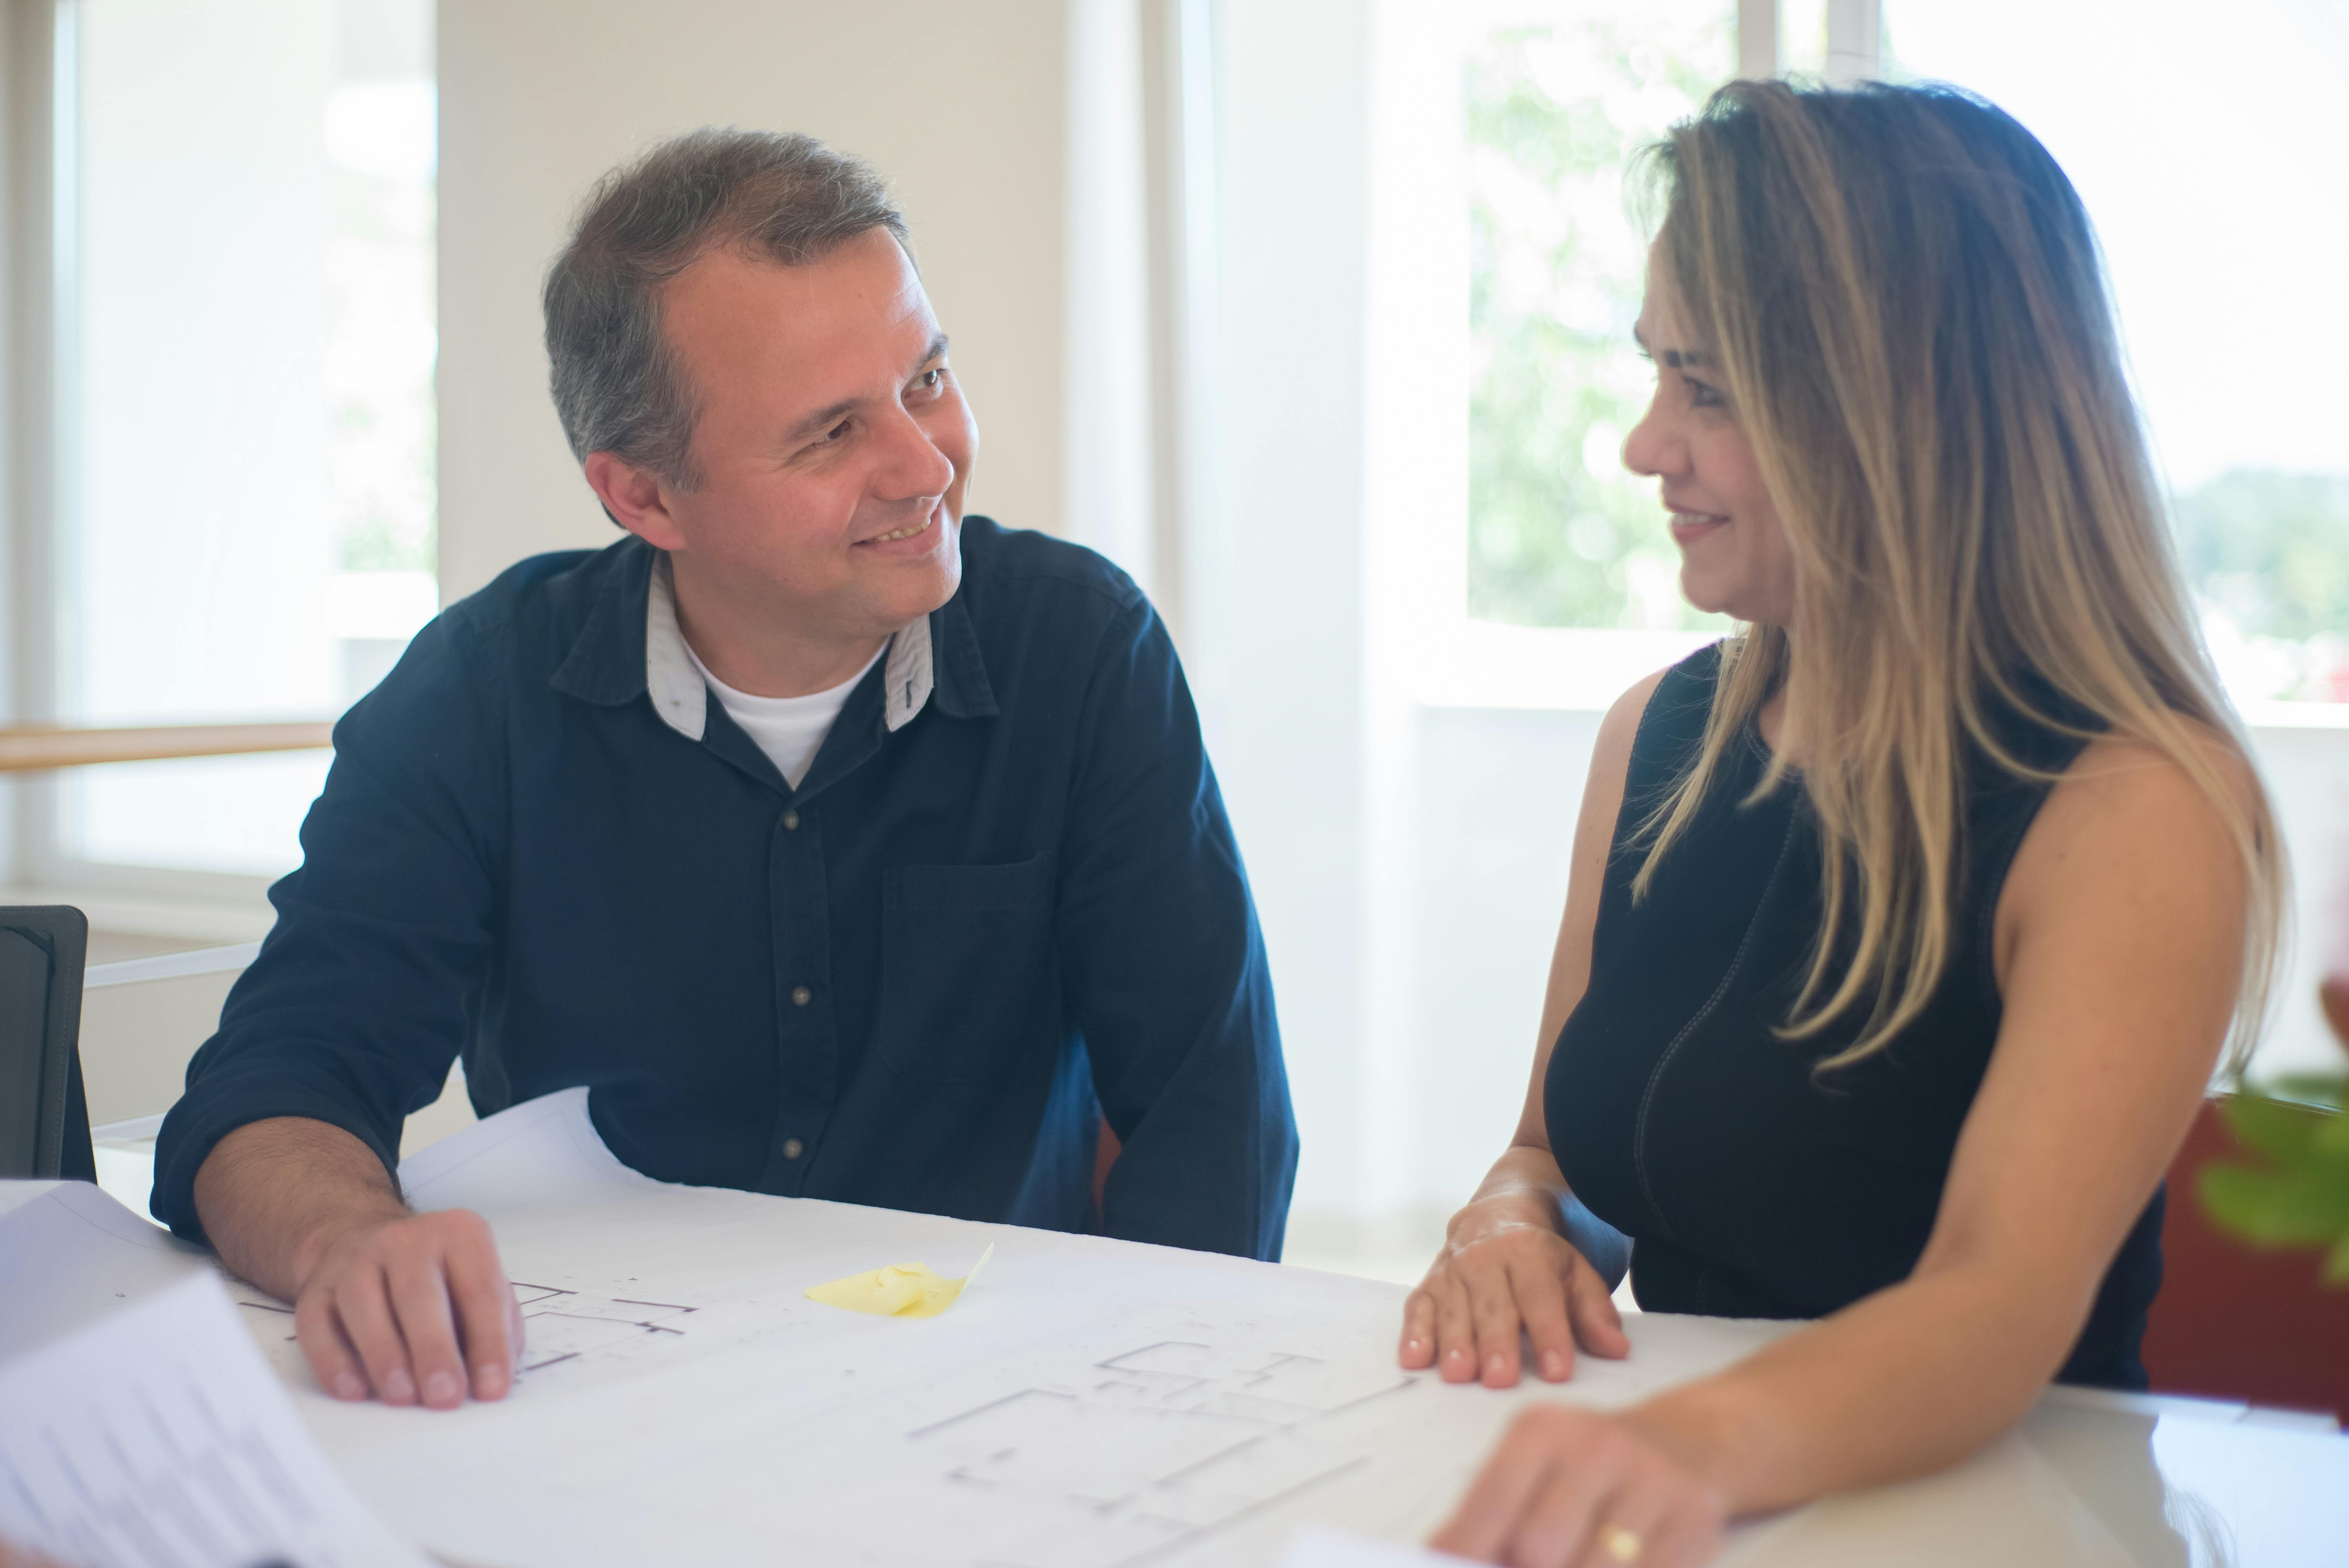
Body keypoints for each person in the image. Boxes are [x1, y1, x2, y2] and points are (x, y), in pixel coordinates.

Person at [153, 130, 1297, 1413]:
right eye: (830, 433)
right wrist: (344, 1238)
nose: (929, 466)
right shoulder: (480, 692)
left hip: (995, 1409)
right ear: (645, 498)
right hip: (593, 1419)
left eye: (925, 377)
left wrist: (1132, 1414)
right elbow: (275, 1086)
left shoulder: (1081, 649)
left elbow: (1217, 1127)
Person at [1405, 80, 2281, 1567]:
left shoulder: (2133, 806)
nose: (1641, 446)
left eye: (1708, 387)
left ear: (1897, 404)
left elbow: (1996, 1303)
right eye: (1654, 375)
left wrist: (1692, 1440)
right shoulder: (1656, 737)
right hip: (1719, 1514)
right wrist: (1510, 1224)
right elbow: (1557, 1148)